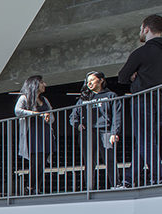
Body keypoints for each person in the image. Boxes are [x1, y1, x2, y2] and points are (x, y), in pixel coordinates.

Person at [118, 14, 162, 185]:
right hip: (160, 100)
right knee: (149, 140)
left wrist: (134, 77)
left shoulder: (141, 52)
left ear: (146, 29)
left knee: (145, 139)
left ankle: (158, 176)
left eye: (140, 29)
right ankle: (129, 178)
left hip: (144, 100)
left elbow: (122, 76)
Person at [69, 71, 121, 189]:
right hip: (88, 133)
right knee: (89, 162)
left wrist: (114, 133)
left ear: (101, 80)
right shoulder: (84, 98)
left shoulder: (110, 95)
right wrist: (77, 125)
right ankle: (89, 188)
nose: (89, 83)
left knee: (110, 160)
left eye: (92, 80)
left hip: (106, 131)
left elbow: (116, 116)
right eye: (87, 82)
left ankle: (116, 185)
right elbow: (73, 116)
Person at [15, 75, 55, 194]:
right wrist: (35, 113)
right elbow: (17, 111)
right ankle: (30, 187)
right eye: (42, 82)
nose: (45, 84)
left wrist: (48, 118)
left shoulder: (45, 100)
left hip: (45, 132)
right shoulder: (24, 98)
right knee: (35, 161)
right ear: (35, 84)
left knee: (43, 162)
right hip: (32, 133)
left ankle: (37, 187)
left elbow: (51, 116)